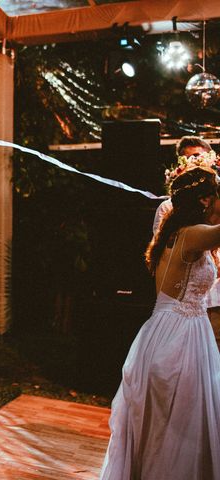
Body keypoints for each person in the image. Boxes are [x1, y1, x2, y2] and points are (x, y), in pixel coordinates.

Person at [100, 166, 220, 479]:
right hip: (181, 339)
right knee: (182, 431)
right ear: (205, 200)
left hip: (166, 330)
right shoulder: (193, 235)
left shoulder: (175, 232)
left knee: (167, 430)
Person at [153, 137, 220, 352]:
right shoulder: (191, 233)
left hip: (193, 321)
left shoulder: (187, 229)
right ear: (205, 200)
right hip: (182, 329)